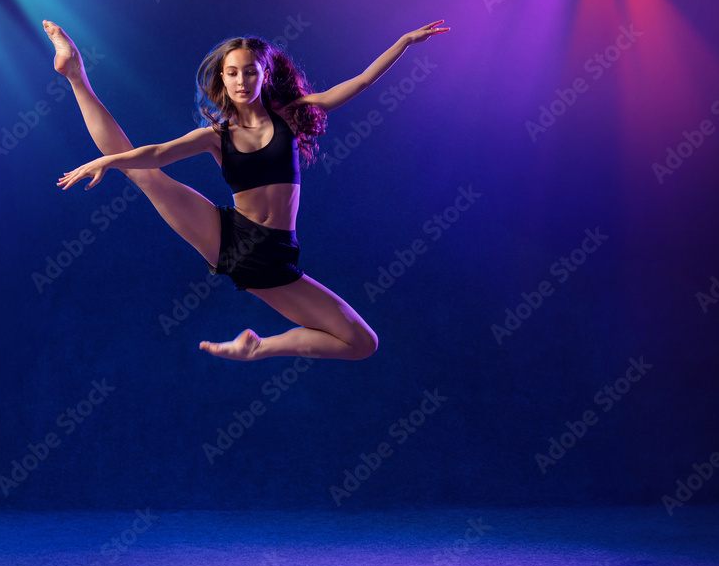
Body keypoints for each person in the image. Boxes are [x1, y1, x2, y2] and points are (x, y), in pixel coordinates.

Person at [43, 18, 448, 361]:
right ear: (222, 77)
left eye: (250, 71)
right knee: (145, 174)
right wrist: (107, 161)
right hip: (229, 235)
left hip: (273, 257)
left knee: (363, 343)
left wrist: (405, 42)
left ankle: (256, 348)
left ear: (264, 74)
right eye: (233, 72)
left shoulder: (291, 115)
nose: (241, 80)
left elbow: (359, 82)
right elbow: (158, 153)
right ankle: (76, 74)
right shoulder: (216, 135)